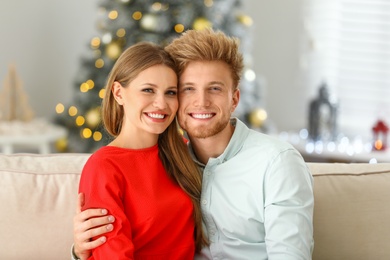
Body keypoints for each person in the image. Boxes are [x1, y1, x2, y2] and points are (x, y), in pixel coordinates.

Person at [72, 28, 314, 260]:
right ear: (118, 93)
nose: (201, 102)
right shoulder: (167, 158)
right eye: (188, 89)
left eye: (215, 89)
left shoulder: (274, 162)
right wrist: (80, 252)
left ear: (235, 99)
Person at [75, 41, 207, 259]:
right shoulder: (104, 167)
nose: (161, 103)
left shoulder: (184, 153)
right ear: (118, 93)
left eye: (170, 92)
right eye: (148, 90)